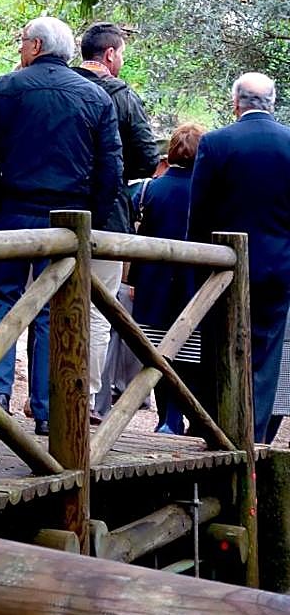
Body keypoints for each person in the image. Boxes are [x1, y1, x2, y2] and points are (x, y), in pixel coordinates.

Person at [0, 16, 121, 436]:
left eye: (22, 42)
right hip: (67, 221)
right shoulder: (96, 97)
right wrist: (89, 220)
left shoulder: (3, 89)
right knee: (55, 309)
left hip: (10, 213)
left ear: (35, 46)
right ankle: (49, 407)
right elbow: (111, 170)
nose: (20, 49)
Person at [187, 72, 290, 442]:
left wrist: (197, 267)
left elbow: (199, 214)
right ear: (273, 102)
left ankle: (219, 433)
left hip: (225, 267)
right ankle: (254, 437)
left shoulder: (216, 143)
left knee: (220, 348)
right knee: (265, 358)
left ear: (236, 103)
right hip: (279, 268)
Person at [74, 22, 161, 421]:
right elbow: (146, 157)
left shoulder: (61, 86)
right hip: (107, 217)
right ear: (110, 54)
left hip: (52, 213)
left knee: (45, 306)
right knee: (97, 309)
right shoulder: (122, 97)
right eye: (121, 53)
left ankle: (43, 396)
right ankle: (87, 396)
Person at [131, 122, 204, 434]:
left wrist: (134, 281)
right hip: (195, 286)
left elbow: (140, 237)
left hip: (153, 284)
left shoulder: (150, 190)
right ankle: (194, 419)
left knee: (158, 353)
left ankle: (167, 418)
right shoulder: (207, 193)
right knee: (191, 354)